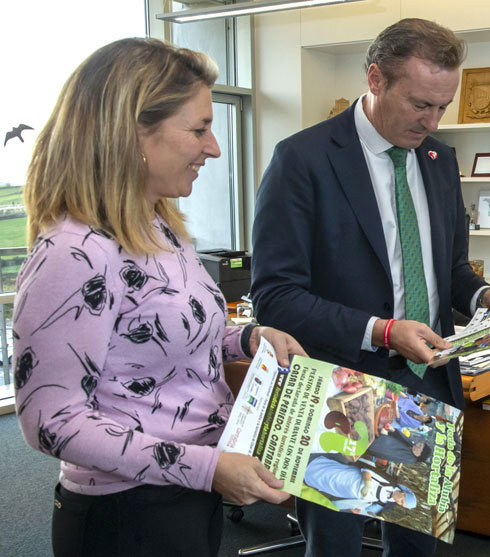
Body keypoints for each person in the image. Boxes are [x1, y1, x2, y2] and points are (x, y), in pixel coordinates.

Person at [250, 18, 490, 557]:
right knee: (335, 549)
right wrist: (381, 332)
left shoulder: (439, 159)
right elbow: (276, 295)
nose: (431, 121)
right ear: (376, 79)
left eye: (442, 107)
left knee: (416, 547)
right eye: (419, 104)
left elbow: (448, 269)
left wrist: (489, 297)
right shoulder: (303, 160)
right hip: (340, 389)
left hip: (427, 383)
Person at [12, 38, 307, 557]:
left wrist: (249, 338)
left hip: (187, 493)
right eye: (198, 129)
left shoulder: (158, 226)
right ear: (131, 132)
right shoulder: (74, 252)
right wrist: (209, 468)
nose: (213, 148)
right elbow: (50, 421)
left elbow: (173, 336)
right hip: (127, 512)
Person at [304, 456, 417, 516]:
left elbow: (371, 510)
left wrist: (369, 513)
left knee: (325, 484)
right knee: (328, 473)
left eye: (401, 505)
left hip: (347, 492)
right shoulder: (391, 482)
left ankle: (305, 478)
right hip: (352, 477)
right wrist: (367, 483)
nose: (399, 503)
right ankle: (306, 464)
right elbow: (369, 468)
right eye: (402, 501)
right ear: (403, 493)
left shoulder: (387, 504)